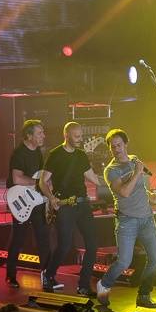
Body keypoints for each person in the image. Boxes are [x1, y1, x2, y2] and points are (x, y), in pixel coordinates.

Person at [95, 128, 156, 309]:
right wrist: (137, 172)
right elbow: (124, 192)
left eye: (119, 145)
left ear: (125, 144)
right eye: (113, 146)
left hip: (147, 219)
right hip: (127, 221)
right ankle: (104, 284)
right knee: (124, 261)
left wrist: (150, 195)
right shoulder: (111, 171)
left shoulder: (134, 160)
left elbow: (140, 188)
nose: (117, 149)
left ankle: (144, 295)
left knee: (155, 259)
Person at [38, 121, 101, 295]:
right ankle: (48, 274)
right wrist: (51, 199)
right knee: (64, 246)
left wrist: (112, 179)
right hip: (65, 205)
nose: (80, 139)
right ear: (66, 135)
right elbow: (43, 181)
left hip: (83, 204)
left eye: (81, 136)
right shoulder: (55, 154)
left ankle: (84, 285)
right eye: (77, 136)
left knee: (92, 245)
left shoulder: (81, 155)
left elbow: (92, 177)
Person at [5, 119, 52, 289]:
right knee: (18, 238)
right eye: (39, 133)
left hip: (35, 201)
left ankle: (47, 275)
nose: (43, 136)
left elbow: (40, 176)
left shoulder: (38, 152)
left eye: (43, 132)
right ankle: (10, 275)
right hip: (21, 201)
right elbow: (17, 178)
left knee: (43, 238)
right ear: (29, 136)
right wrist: (38, 183)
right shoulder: (19, 153)